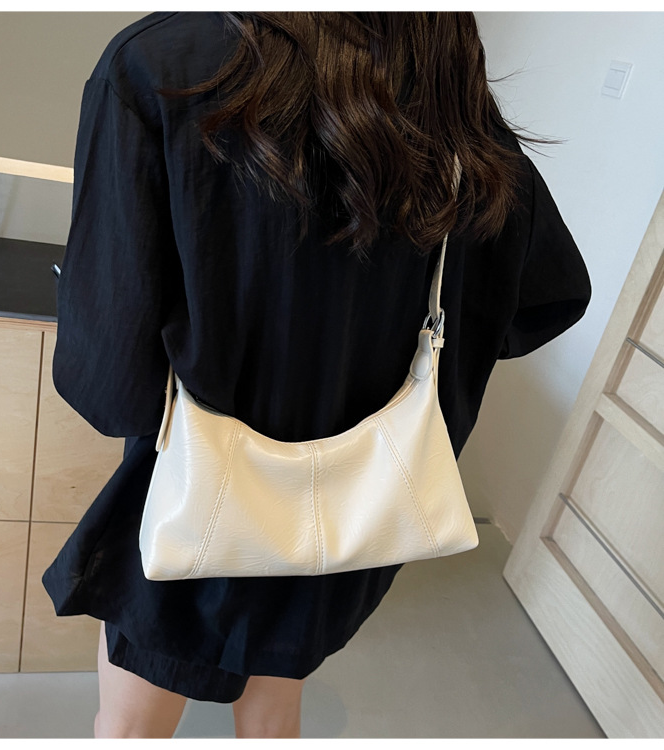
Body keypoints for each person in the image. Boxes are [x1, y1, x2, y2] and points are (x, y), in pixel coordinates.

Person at [42, 12, 592, 739]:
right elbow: (546, 296)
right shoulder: (449, 86)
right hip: (358, 515)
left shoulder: (165, 67)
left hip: (195, 502)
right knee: (274, 713)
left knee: (130, 730)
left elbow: (109, 384)